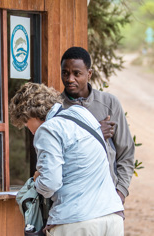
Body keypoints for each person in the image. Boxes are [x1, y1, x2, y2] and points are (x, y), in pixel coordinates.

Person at [9, 82, 124, 235]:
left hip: (77, 221)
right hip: (111, 216)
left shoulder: (47, 129)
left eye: (25, 123)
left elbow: (50, 183)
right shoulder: (82, 114)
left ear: (31, 115)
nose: (29, 130)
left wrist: (37, 181)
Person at [60, 47, 135, 205]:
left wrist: (120, 192)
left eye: (76, 73)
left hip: (108, 198)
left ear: (89, 74)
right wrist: (96, 132)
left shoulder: (109, 103)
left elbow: (126, 153)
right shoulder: (56, 108)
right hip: (71, 201)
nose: (70, 79)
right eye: (65, 73)